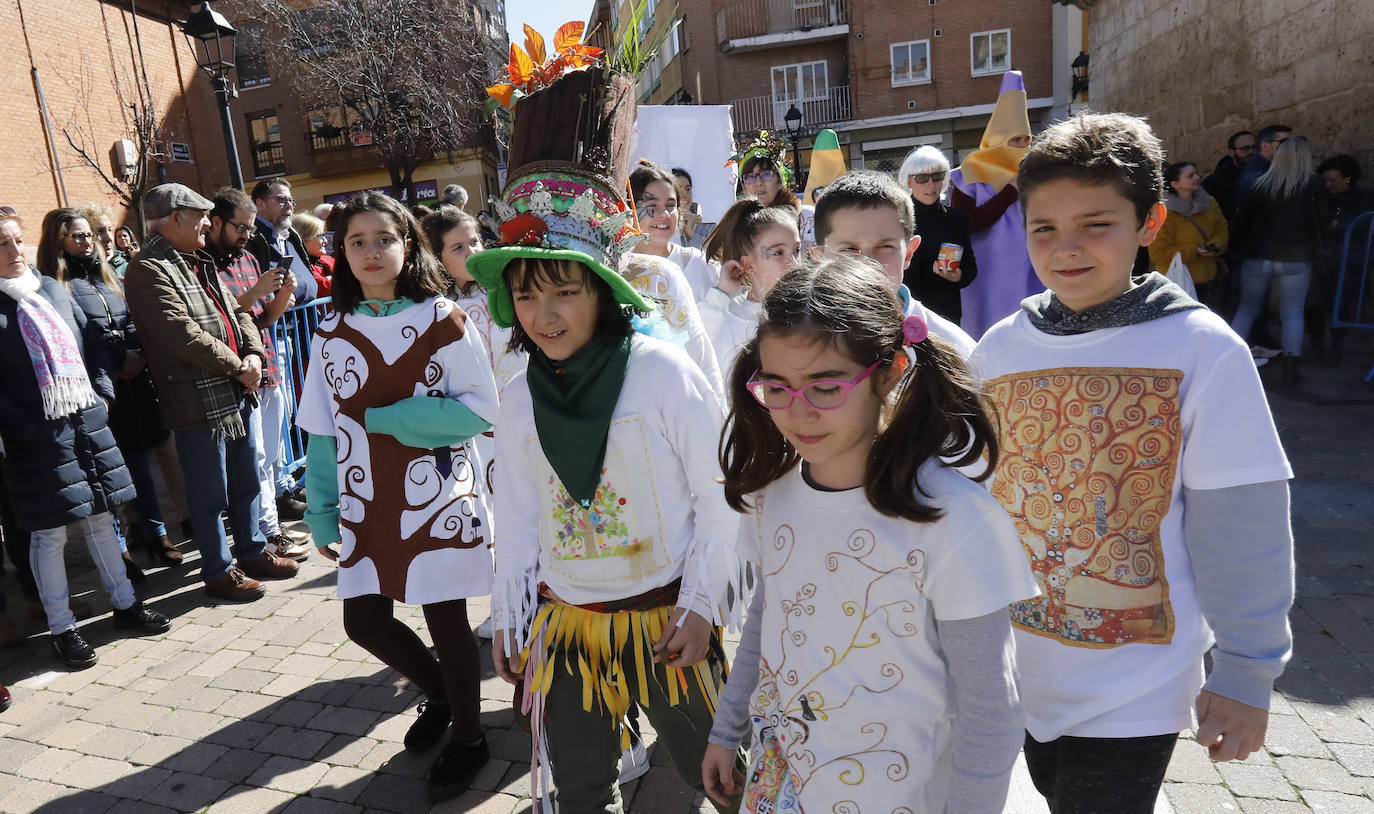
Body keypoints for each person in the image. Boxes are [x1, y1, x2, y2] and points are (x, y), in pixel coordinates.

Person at [972, 112, 1295, 813]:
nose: (1067, 249)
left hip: (1137, 683)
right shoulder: (998, 348)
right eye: (1044, 228)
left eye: (1097, 224)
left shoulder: (1203, 350)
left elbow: (1244, 521)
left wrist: (1246, 667)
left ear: (1149, 223)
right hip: (1022, 668)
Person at [472, 41, 746, 810]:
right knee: (582, 784)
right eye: (527, 298)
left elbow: (720, 490)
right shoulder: (524, 391)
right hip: (571, 628)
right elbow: (520, 509)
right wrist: (513, 612)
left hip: (667, 620)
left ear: (602, 291)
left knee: (717, 773)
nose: (545, 315)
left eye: (564, 292)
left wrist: (699, 604)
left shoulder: (658, 372)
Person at [702, 257, 1036, 812]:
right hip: (785, 777)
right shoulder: (772, 492)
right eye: (777, 388)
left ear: (889, 371)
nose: (797, 413)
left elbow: (991, 707)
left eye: (826, 387)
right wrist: (726, 726)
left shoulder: (954, 520)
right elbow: (769, 611)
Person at [297, 193, 499, 803]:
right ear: (343, 253)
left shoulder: (445, 319)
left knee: (445, 617)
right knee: (363, 620)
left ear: (406, 245)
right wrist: (320, 506)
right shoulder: (331, 328)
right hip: (365, 499)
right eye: (355, 242)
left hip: (438, 494)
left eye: (382, 239)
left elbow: (480, 410)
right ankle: (443, 694)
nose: (370, 252)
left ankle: (470, 736)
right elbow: (325, 426)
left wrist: (396, 419)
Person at [0, 209, 171, 669]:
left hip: (86, 421)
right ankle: (62, 629)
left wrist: (103, 392)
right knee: (48, 535)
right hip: (37, 438)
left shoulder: (52, 289)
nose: (15, 252)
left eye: (17, 240)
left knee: (101, 517)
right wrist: (24, 427)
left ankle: (126, 604)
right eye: (3, 245)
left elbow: (94, 341)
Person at [125, 184, 301, 602]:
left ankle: (252, 551)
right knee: (209, 495)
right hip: (196, 402)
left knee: (245, 483)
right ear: (173, 219)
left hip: (234, 392)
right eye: (199, 215)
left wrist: (254, 353)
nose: (207, 222)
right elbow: (180, 333)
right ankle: (219, 570)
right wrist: (239, 366)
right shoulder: (147, 269)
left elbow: (237, 311)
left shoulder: (196, 260)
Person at [36, 208, 180, 576]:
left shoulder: (108, 277)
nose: (89, 243)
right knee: (106, 476)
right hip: (98, 391)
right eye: (78, 236)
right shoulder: (55, 285)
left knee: (139, 465)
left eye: (90, 235)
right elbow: (79, 338)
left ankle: (155, 533)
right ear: (59, 242)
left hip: (134, 387)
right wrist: (118, 359)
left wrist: (138, 354)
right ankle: (120, 553)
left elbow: (132, 319)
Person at [208, 188, 311, 562]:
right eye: (241, 227)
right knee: (254, 460)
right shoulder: (204, 264)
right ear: (217, 222)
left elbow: (266, 317)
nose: (247, 235)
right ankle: (265, 534)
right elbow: (220, 316)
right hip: (240, 375)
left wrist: (282, 293)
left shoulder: (249, 258)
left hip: (270, 367)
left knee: (271, 457)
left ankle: (271, 529)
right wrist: (255, 291)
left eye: (250, 228)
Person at [811, 170, 977, 358]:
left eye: (885, 247)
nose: (869, 265)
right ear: (820, 258)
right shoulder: (794, 345)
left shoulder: (956, 350)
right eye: (849, 249)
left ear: (908, 253)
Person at [949, 70, 1039, 338]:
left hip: (1031, 270)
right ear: (999, 139)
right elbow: (963, 225)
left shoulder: (1038, 171)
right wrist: (1008, 194)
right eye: (1015, 140)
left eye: (1026, 139)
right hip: (984, 276)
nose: (1022, 146)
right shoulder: (968, 175)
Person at [1230, 137, 1324, 386]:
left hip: (1258, 256)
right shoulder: (1314, 184)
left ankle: (1225, 361)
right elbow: (1322, 221)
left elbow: (1240, 222)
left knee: (1246, 309)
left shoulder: (1257, 185)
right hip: (1296, 258)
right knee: (1293, 312)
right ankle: (1291, 370)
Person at [699, 198, 801, 377]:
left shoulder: (811, 309)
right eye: (778, 253)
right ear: (749, 264)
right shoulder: (730, 318)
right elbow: (695, 352)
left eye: (797, 250)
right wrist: (720, 294)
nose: (793, 263)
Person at [899, 144, 980, 325]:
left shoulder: (955, 218)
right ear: (909, 181)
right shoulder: (897, 219)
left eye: (937, 177)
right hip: (907, 315)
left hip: (947, 315)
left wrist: (957, 276)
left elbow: (970, 268)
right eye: (921, 178)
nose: (931, 185)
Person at [631, 161, 719, 302]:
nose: (664, 214)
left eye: (671, 205)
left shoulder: (697, 264)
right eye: (652, 205)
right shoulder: (618, 265)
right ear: (631, 209)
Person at [1316, 154, 1374, 362]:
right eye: (1325, 180)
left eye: (1332, 180)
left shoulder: (1364, 199)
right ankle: (1321, 348)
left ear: (1347, 178)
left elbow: (1361, 226)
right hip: (1325, 261)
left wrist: (1337, 226)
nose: (1327, 185)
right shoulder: (1322, 197)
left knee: (1343, 306)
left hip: (1351, 262)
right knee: (1319, 305)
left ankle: (1336, 349)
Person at [1150, 162, 1230, 307]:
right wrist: (1194, 250)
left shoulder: (1209, 203)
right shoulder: (1164, 212)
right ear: (1175, 184)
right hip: (1178, 280)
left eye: (1197, 173)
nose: (1197, 177)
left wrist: (1217, 244)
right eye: (1190, 175)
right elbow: (1157, 252)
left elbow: (1221, 228)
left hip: (1209, 278)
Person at [246, 178, 317, 304]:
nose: (289, 205)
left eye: (291, 200)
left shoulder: (292, 236)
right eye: (281, 200)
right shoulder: (250, 240)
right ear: (260, 204)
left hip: (306, 320)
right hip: (277, 323)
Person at [1202, 130, 1256, 220]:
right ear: (1231, 152)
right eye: (1245, 149)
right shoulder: (1214, 183)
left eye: (1254, 147)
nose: (1251, 152)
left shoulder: (1267, 174)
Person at [1236, 124, 1293, 199]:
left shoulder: (1274, 168)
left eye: (1292, 142)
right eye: (1284, 142)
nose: (1291, 146)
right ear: (1265, 146)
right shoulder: (1254, 175)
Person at [291, 212, 333, 297]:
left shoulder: (328, 259)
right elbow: (323, 287)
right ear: (304, 239)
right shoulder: (297, 266)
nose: (325, 241)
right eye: (320, 236)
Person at [83, 203, 129, 279]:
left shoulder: (127, 268)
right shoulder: (80, 274)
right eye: (100, 231)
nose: (109, 238)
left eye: (110, 230)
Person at [671, 167, 710, 250]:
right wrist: (677, 232)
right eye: (678, 190)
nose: (684, 195)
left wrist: (691, 232)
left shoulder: (708, 225)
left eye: (687, 189)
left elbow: (717, 254)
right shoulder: (661, 223)